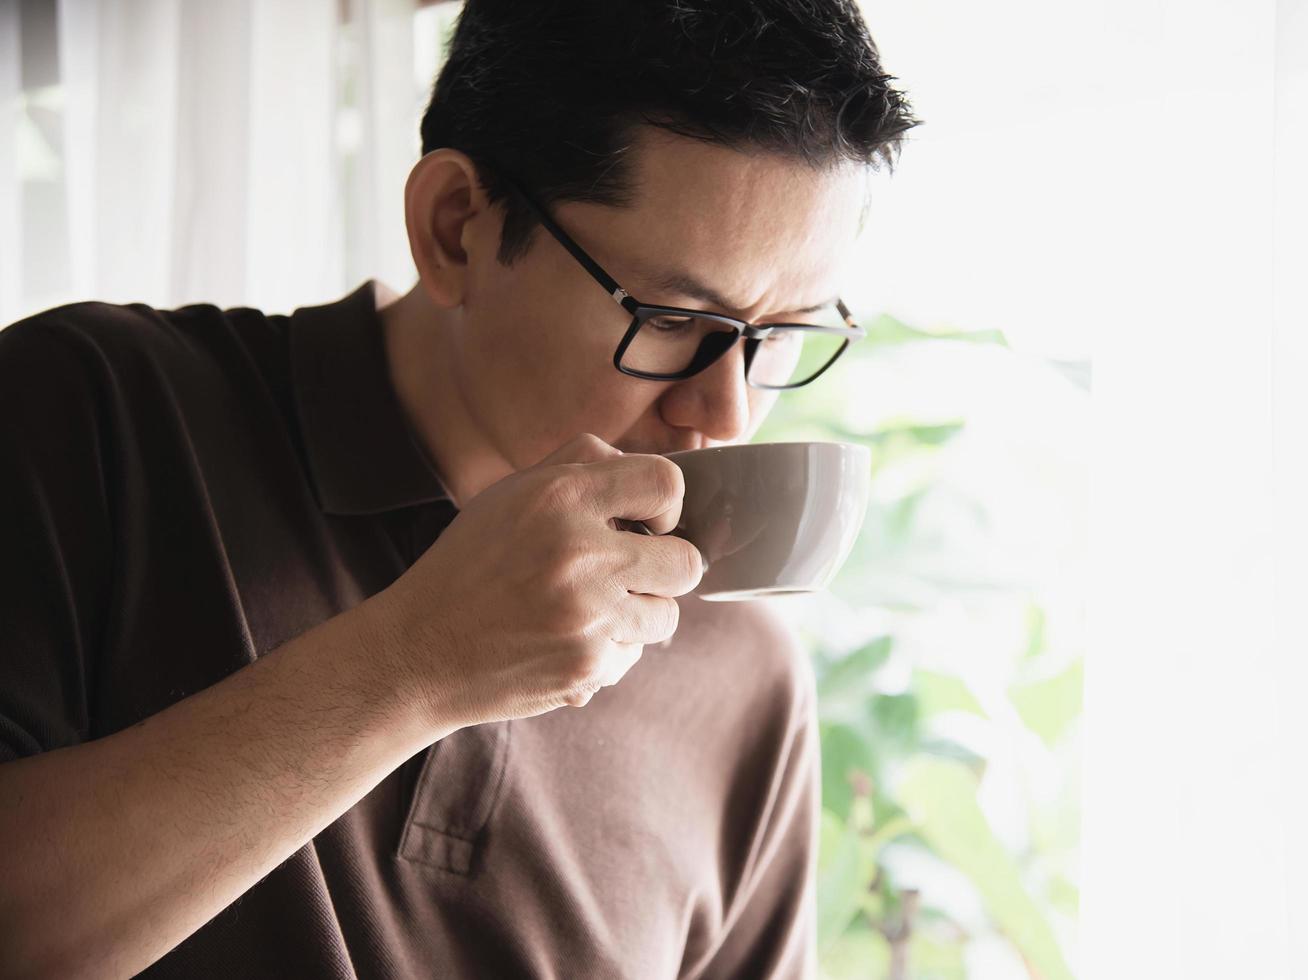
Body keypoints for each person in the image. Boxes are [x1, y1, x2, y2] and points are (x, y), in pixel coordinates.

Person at [0, 1, 916, 976]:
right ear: (454, 229)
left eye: (780, 337)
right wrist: (414, 660)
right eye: (671, 317)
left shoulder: (743, 676)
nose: (726, 412)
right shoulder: (95, 409)